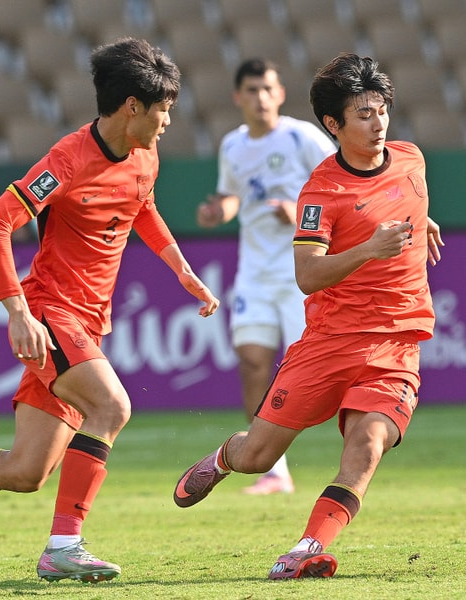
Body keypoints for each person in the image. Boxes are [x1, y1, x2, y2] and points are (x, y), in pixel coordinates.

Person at [0, 38, 219, 583]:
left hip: (88, 324)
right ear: (132, 106)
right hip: (51, 312)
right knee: (112, 408)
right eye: (164, 108)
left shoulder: (144, 155)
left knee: (25, 471)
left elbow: (142, 205)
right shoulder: (68, 160)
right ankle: (64, 546)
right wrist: (17, 312)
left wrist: (181, 268)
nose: (168, 121)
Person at [174, 52, 443, 580]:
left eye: (382, 110)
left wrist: (423, 216)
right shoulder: (321, 191)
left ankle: (307, 547)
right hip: (329, 341)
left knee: (368, 444)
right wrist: (369, 249)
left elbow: (398, 195)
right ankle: (224, 459)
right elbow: (308, 274)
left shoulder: (412, 159)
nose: (378, 123)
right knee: (258, 455)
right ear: (333, 125)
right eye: (363, 115)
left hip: (395, 343)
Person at [196, 58, 336, 495]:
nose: (261, 98)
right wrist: (220, 211)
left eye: (267, 89)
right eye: (252, 90)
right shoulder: (233, 145)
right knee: (253, 362)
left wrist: (298, 212)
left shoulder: (301, 137)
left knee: (305, 370)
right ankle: (274, 469)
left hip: (301, 270)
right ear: (238, 97)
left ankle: (357, 437)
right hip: (254, 272)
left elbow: (342, 182)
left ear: (280, 94)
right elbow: (233, 195)